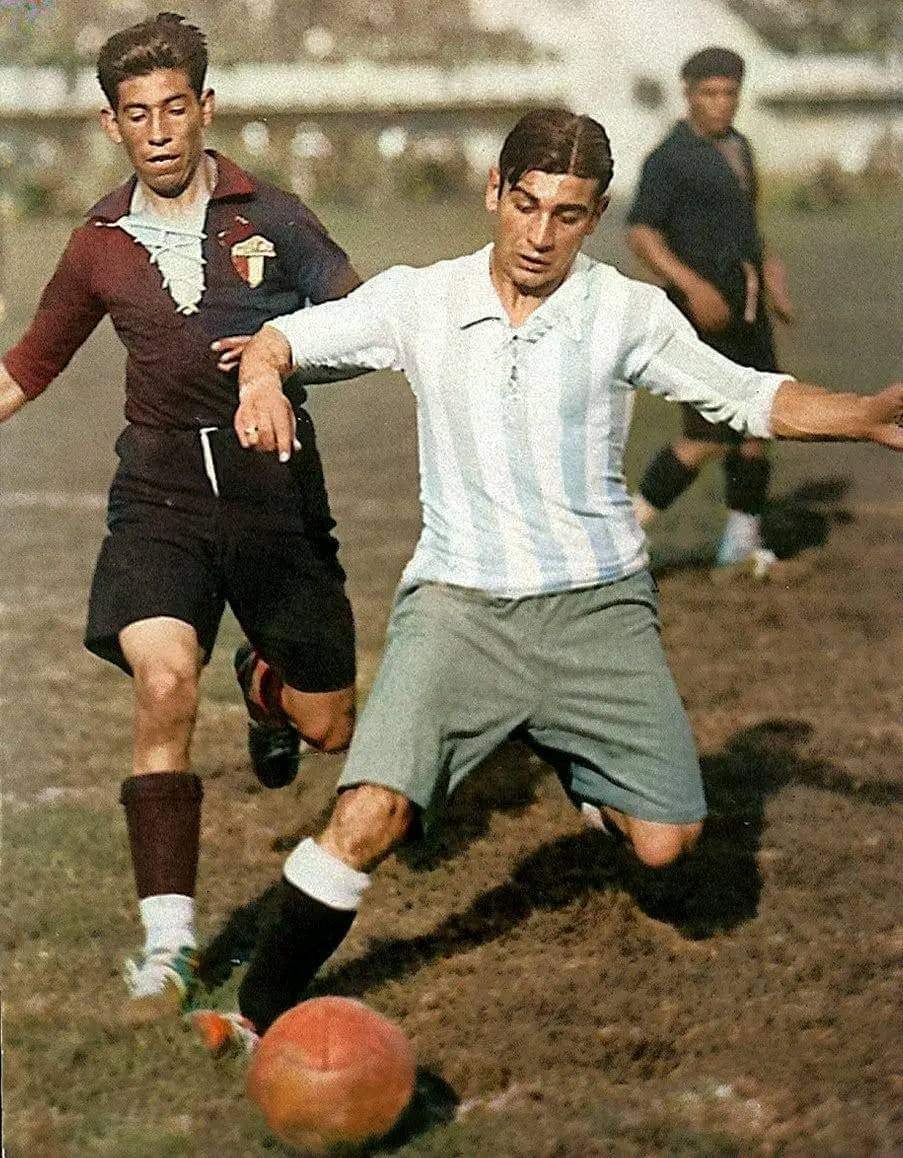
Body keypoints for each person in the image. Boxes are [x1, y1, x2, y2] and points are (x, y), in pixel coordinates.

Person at [201, 108, 901, 1044]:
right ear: (495, 192)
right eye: (525, 205)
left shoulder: (624, 312)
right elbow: (283, 341)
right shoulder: (423, 298)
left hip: (598, 608)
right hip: (459, 607)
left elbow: (743, 394)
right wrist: (258, 381)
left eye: (567, 215)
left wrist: (859, 415)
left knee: (670, 858)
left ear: (596, 216)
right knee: (367, 816)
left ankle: (574, 757)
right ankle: (254, 1016)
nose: (539, 234)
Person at [0, 12, 364, 1020]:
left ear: (206, 108)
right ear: (112, 126)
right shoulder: (97, 246)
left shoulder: (275, 217)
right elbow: (28, 367)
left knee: (329, 726)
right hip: (157, 501)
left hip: (275, 501)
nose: (158, 130)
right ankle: (168, 946)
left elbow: (361, 322)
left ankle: (264, 685)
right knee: (162, 682)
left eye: (174, 107)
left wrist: (276, 355)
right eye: (135, 114)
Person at [627, 46, 797, 577]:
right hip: (702, 314)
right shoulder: (668, 158)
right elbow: (641, 231)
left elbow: (751, 225)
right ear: (688, 93)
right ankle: (623, 533)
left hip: (747, 309)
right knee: (704, 436)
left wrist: (770, 274)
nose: (721, 104)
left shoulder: (740, 147)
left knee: (759, 424)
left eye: (729, 93)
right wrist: (690, 284)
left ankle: (741, 540)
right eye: (710, 93)